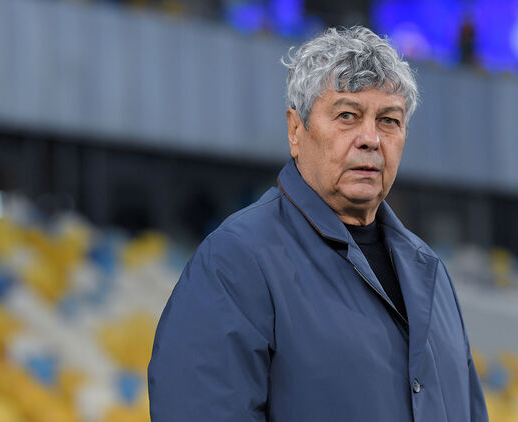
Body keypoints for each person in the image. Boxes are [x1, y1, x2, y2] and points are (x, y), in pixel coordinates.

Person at [148, 26, 488, 422]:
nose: (371, 139)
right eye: (347, 115)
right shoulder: (235, 263)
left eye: (388, 120)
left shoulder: (432, 273)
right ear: (296, 130)